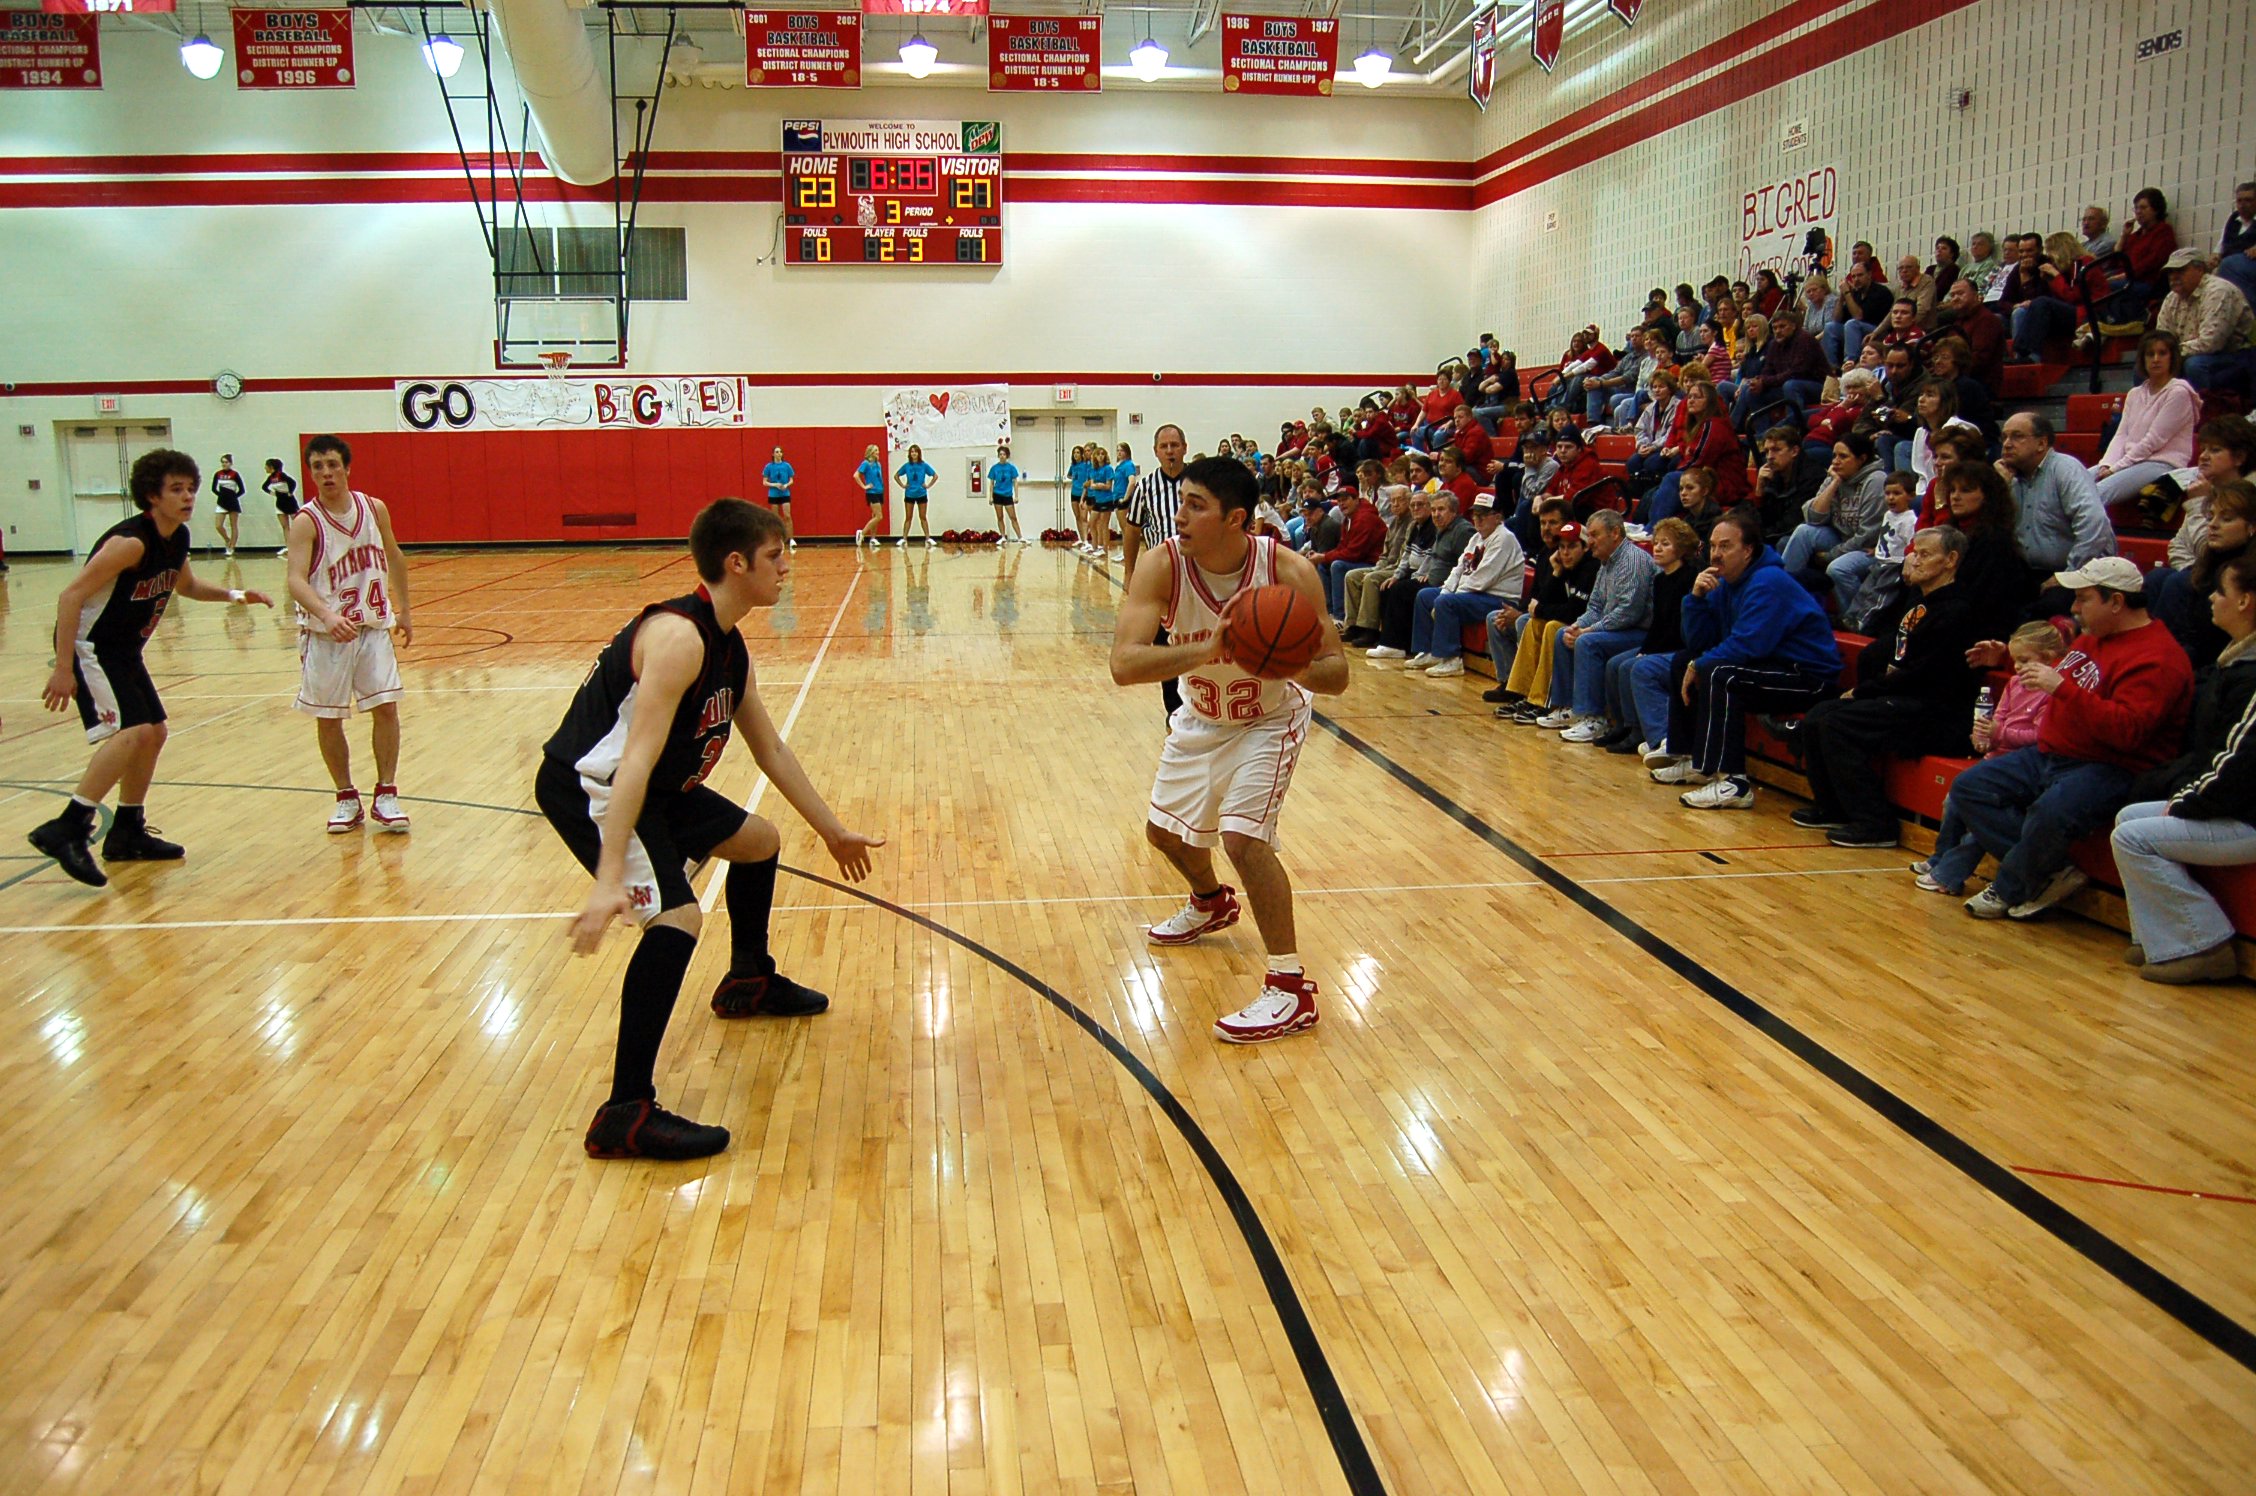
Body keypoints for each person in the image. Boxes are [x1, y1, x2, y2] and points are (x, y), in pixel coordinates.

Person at [538, 499, 883, 1159]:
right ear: (737, 563)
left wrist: (833, 832)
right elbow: (633, 763)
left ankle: (748, 980)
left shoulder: (728, 643)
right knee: (677, 919)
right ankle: (624, 1113)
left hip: (655, 787)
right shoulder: (679, 641)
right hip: (596, 787)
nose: (786, 568)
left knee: (759, 841)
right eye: (776, 556)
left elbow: (770, 749)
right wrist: (609, 879)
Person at [1109, 456, 1349, 1044]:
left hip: (1269, 718)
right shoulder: (1162, 566)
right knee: (1164, 835)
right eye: (1181, 502)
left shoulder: (1287, 571)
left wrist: (1281, 659)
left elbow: (1337, 673)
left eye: (1196, 506)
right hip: (1201, 715)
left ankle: (1291, 990)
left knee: (1243, 838)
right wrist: (1212, 649)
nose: (1179, 516)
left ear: (1236, 518)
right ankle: (1211, 901)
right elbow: (1124, 665)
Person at [27, 448, 274, 887]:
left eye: (191, 488)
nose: (188, 496)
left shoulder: (177, 537)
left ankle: (127, 830)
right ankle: (68, 826)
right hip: (91, 648)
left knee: (155, 732)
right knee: (133, 731)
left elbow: (187, 586)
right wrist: (63, 667)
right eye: (176, 489)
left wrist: (236, 595)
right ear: (152, 495)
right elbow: (70, 596)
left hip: (124, 651)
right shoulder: (131, 543)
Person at [1925, 556, 2195, 918]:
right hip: (2051, 753)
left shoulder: (2158, 659)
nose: (2074, 608)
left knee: (2050, 812)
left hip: (2111, 766)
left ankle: (2011, 886)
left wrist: (2063, 690)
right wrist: (2005, 659)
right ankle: (2050, 871)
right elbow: (2055, 670)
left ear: (2116, 602)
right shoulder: (2093, 636)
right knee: (1970, 788)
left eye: (2083, 599)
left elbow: (2127, 732)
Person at [2110, 552, 2256, 984]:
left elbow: (2238, 763)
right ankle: (2157, 937)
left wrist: (2184, 802)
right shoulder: (2235, 662)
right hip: (2235, 806)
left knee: (2133, 837)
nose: (2211, 598)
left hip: (2248, 817)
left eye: (2221, 591)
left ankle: (2204, 945)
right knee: (2129, 817)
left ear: (2245, 601)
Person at [1795, 526, 1981, 847]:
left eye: (1925, 554)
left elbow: (1922, 674)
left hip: (1934, 709)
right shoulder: (1917, 601)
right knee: (1817, 716)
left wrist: (1865, 690)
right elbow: (1886, 646)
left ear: (1951, 560)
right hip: (1899, 695)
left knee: (1837, 723)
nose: (1914, 560)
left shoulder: (1958, 611)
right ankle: (1832, 807)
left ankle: (1876, 822)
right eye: (1914, 552)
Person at [1653, 507, 1842, 808]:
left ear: (1748, 550)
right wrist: (1695, 599)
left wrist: (1699, 664)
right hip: (1769, 666)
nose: (1716, 554)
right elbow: (1699, 642)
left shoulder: (1768, 581)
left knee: (1719, 674)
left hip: (1807, 676)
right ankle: (1694, 760)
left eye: (1725, 546)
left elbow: (1749, 644)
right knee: (1683, 659)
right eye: (1713, 546)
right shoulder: (1726, 582)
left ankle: (1734, 782)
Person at [285, 436, 414, 834]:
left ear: (347, 468)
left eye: (332, 465)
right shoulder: (306, 521)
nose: (326, 473)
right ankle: (345, 797)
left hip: (372, 627)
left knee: (386, 707)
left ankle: (387, 793)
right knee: (329, 717)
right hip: (327, 635)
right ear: (311, 473)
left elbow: (395, 556)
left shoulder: (374, 509)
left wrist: (405, 609)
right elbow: (295, 579)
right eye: (317, 466)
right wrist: (325, 615)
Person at [1545, 509, 1658, 739]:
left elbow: (1629, 613)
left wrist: (1588, 631)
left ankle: (1594, 718)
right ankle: (1568, 707)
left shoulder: (1633, 560)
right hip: (1618, 629)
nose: (1590, 541)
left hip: (1640, 632)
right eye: (1589, 535)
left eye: (1595, 535)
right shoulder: (1606, 563)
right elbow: (1595, 606)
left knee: (1587, 642)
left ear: (1615, 533)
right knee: (1563, 634)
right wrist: (1577, 626)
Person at [1996, 412, 2112, 602]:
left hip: (2078, 572)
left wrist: (2069, 574)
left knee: (2051, 604)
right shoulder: (2006, 477)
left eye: (2017, 436)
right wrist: (1997, 489)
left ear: (2042, 443)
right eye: (2004, 437)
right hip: (2027, 572)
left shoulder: (2065, 468)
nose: (2007, 444)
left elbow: (2094, 523)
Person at [1407, 492, 1525, 679]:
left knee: (1446, 603)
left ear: (1497, 517)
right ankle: (1428, 651)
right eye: (1475, 515)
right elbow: (1459, 568)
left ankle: (1451, 659)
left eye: (1483, 515)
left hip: (1498, 599)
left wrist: (1449, 597)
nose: (1477, 519)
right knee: (1425, 596)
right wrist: (1445, 591)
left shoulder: (1504, 539)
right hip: (1474, 594)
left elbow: (1483, 578)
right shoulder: (1477, 538)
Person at [1496, 510, 1594, 718]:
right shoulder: (1562, 566)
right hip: (1573, 622)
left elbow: (1575, 610)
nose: (1565, 553)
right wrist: (1557, 573)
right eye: (1562, 547)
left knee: (1552, 627)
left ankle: (1543, 700)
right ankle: (1522, 692)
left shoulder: (1590, 569)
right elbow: (1542, 601)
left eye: (1572, 547)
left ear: (1585, 547)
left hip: (1587, 626)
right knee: (1534, 623)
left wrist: (1540, 609)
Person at [2094, 331, 2202, 511]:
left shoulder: (2179, 393)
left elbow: (2154, 440)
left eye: (2162, 353)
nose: (2156, 359)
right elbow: (2121, 435)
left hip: (2160, 463)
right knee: (2075, 486)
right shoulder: (2134, 393)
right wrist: (2106, 464)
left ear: (2172, 358)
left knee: (2093, 495)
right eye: (2150, 354)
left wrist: (2116, 469)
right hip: (2131, 460)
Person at [1370, 490, 1471, 661]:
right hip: (1432, 578)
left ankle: (1397, 645)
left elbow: (1465, 565)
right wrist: (1423, 573)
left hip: (1447, 585)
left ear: (1454, 511)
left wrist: (1438, 580)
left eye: (1441, 509)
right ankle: (1393, 642)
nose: (1436, 514)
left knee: (1402, 590)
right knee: (1391, 587)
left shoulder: (1462, 532)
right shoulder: (1442, 528)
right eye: (1434, 510)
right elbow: (1434, 556)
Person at [1780, 432, 1884, 593]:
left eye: (1843, 456)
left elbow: (1867, 537)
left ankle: (1857, 610)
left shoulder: (1876, 480)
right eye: (1834, 455)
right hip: (1842, 538)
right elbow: (1813, 518)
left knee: (1837, 569)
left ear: (1862, 459)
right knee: (1803, 531)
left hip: (1869, 549)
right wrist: (1834, 484)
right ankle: (1780, 591)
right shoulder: (1835, 476)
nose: (1835, 461)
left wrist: (1830, 555)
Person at [2156, 247, 2256, 393]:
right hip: (2189, 353)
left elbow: (2210, 343)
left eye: (2180, 270)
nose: (2173, 276)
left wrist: (2169, 352)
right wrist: (2161, 353)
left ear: (2200, 270)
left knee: (2194, 365)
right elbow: (2162, 337)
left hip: (2235, 355)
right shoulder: (2172, 298)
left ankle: (2206, 406)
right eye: (2170, 272)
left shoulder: (2218, 291)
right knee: (2148, 365)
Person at [1316, 464, 1387, 621]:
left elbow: (1354, 553)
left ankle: (1341, 617)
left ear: (1356, 500)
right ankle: (1330, 611)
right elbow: (1343, 547)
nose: (1342, 504)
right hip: (1360, 559)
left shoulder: (1364, 519)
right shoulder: (1349, 519)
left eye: (1346, 500)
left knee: (1337, 565)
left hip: (1374, 562)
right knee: (1324, 565)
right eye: (1339, 501)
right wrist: (1324, 557)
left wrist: (1324, 556)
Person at [2217, 179, 2256, 313]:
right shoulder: (2233, 220)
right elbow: (2221, 246)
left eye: (2248, 200)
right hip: (2233, 263)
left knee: (2229, 265)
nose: (2243, 205)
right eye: (2239, 201)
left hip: (2249, 263)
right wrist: (2215, 256)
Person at [893, 443, 937, 547]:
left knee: (923, 517)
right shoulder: (907, 466)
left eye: (916, 452)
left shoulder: (924, 465)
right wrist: (903, 485)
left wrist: (928, 485)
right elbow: (896, 475)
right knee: (908, 517)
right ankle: (904, 538)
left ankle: (927, 538)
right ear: (910, 454)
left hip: (921, 494)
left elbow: (935, 475)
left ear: (919, 453)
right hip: (909, 494)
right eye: (912, 452)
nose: (914, 453)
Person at [980, 444, 1023, 545]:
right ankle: (1003, 536)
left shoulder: (1011, 468)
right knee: (1000, 517)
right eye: (1000, 454)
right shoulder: (994, 468)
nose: (1002, 456)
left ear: (1007, 456)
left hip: (1007, 495)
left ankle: (1020, 537)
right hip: (997, 494)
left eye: (1004, 454)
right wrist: (990, 497)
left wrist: (1016, 496)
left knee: (1013, 517)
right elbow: (991, 483)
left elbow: (1015, 482)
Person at [760, 445, 796, 549]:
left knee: (787, 516)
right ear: (773, 454)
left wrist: (786, 485)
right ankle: (777, 540)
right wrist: (775, 484)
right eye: (776, 452)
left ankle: (791, 540)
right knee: (775, 518)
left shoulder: (787, 465)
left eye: (780, 452)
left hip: (785, 493)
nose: (779, 453)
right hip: (774, 494)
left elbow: (791, 480)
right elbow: (764, 482)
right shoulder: (769, 466)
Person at [851, 443, 887, 547]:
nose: (878, 452)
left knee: (875, 515)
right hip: (872, 493)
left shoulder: (878, 464)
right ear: (870, 452)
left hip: (880, 491)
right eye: (875, 450)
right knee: (879, 516)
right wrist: (864, 486)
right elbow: (856, 475)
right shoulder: (866, 464)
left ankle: (873, 538)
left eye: (878, 450)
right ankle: (862, 533)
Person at [262, 457, 299, 555]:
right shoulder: (271, 477)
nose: (265, 468)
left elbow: (293, 482)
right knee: (285, 526)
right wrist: (273, 493)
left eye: (266, 466)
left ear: (271, 467)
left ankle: (301, 545)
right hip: (279, 502)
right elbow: (264, 487)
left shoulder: (281, 475)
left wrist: (290, 492)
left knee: (298, 523)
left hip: (289, 501)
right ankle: (289, 546)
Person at [210, 453, 243, 557]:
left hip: (232, 502)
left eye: (226, 462)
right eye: (223, 462)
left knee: (234, 525)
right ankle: (227, 540)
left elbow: (242, 490)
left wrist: (233, 497)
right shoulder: (218, 474)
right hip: (221, 502)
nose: (224, 464)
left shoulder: (235, 474)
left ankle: (232, 546)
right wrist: (221, 496)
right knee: (218, 525)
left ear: (231, 463)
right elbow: (213, 488)